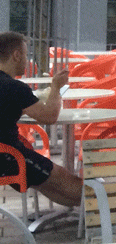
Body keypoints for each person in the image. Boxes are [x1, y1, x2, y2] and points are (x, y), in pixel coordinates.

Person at [0, 31, 83, 206]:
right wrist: (56, 87)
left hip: (6, 154)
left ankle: (94, 211)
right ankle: (114, 206)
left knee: (47, 184)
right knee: (66, 181)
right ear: (16, 55)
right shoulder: (15, 88)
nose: (27, 60)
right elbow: (50, 116)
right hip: (8, 156)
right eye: (25, 54)